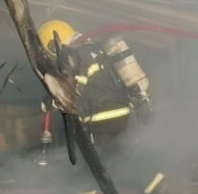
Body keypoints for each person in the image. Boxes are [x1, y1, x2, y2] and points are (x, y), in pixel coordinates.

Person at [35, 20, 153, 165]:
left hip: (103, 121)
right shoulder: (94, 48)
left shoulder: (76, 54)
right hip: (122, 116)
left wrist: (51, 103)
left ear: (53, 45)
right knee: (123, 163)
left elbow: (73, 92)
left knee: (103, 167)